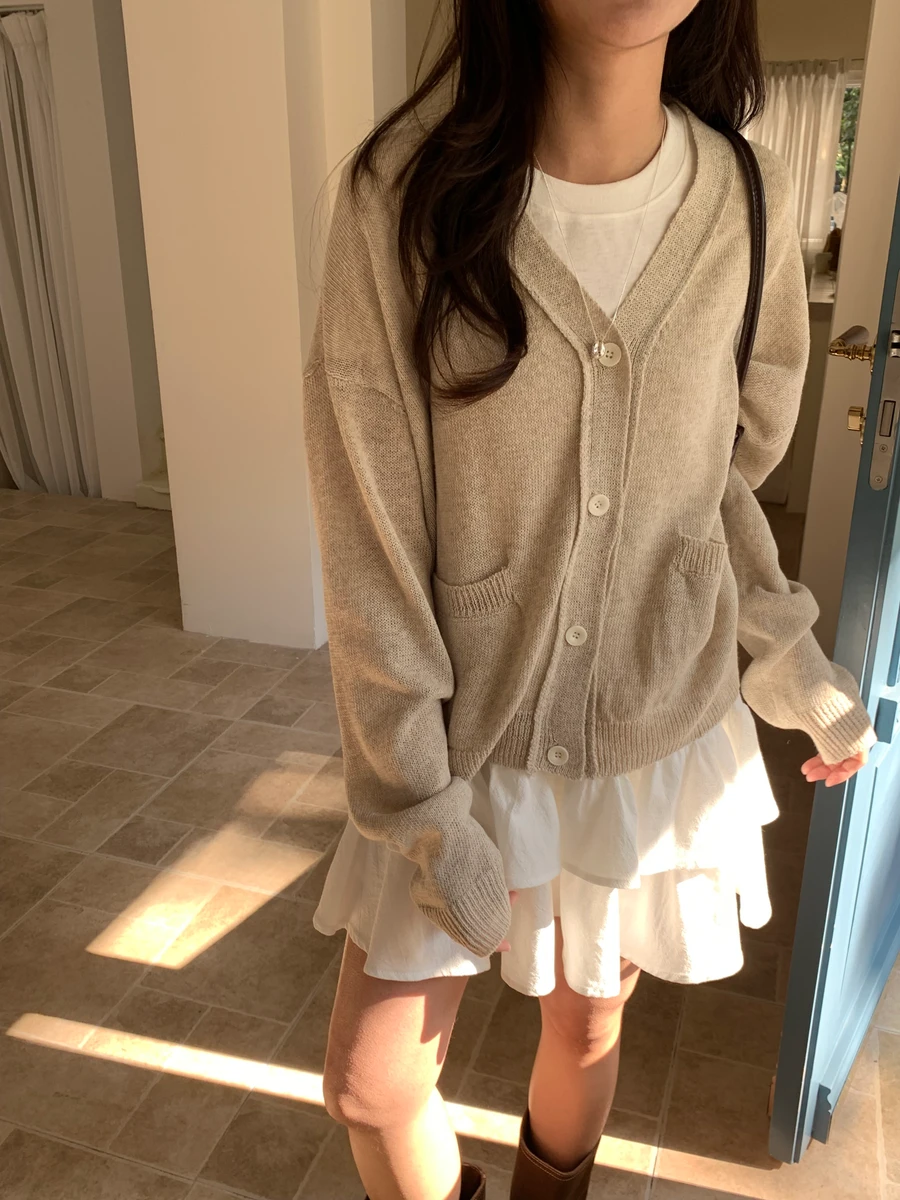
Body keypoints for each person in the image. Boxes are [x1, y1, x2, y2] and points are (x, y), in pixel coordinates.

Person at [301, 2, 878, 1197]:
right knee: (373, 1081)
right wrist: (419, 804)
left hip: (652, 729)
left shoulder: (748, 197)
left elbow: (714, 492)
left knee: (586, 1023)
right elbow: (369, 533)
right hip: (464, 741)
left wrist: (789, 661)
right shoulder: (404, 196)